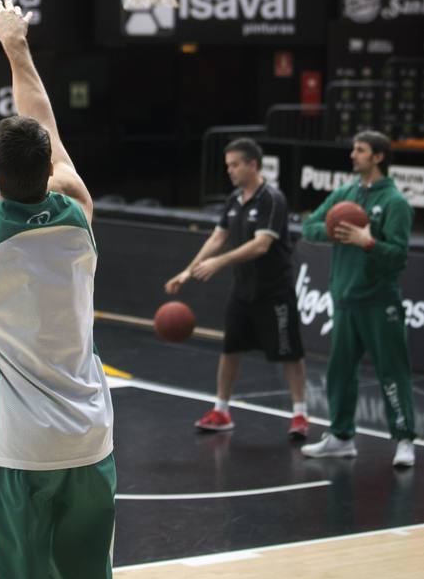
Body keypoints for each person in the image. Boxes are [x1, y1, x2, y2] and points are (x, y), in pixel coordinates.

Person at [0, 1, 115, 579]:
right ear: (49, 170)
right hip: (90, 440)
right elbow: (47, 131)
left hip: (15, 448)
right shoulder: (78, 210)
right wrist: (18, 48)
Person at [165, 137, 308, 438]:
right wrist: (188, 271)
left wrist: (219, 263)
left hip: (275, 289)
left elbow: (261, 245)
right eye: (227, 165)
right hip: (244, 289)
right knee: (230, 349)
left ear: (252, 164)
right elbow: (216, 238)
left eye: (234, 165)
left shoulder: (272, 198)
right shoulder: (234, 200)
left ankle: (300, 414)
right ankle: (221, 410)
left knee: (290, 353)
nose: (229, 170)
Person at [301, 130, 416, 468]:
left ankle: (405, 439)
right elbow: (310, 226)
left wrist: (367, 243)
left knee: (392, 371)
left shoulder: (395, 202)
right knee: (339, 371)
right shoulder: (344, 193)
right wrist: (339, 232)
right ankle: (340, 437)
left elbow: (398, 257)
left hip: (380, 301)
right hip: (345, 298)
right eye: (353, 148)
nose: (353, 154)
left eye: (360, 150)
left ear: (378, 157)